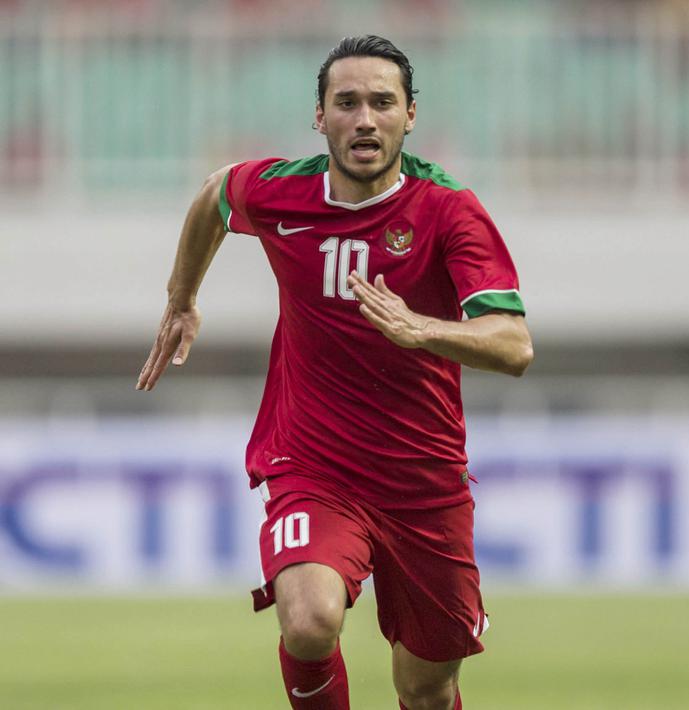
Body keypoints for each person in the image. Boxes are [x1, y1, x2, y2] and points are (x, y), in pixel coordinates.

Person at [136, 35, 533, 710]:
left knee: (427, 688)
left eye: (382, 102)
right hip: (312, 466)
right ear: (319, 117)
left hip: (423, 481)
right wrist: (180, 300)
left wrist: (423, 329)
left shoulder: (447, 210)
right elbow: (214, 197)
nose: (364, 118)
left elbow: (514, 344)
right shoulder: (280, 192)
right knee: (310, 618)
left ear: (410, 115)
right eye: (345, 103)